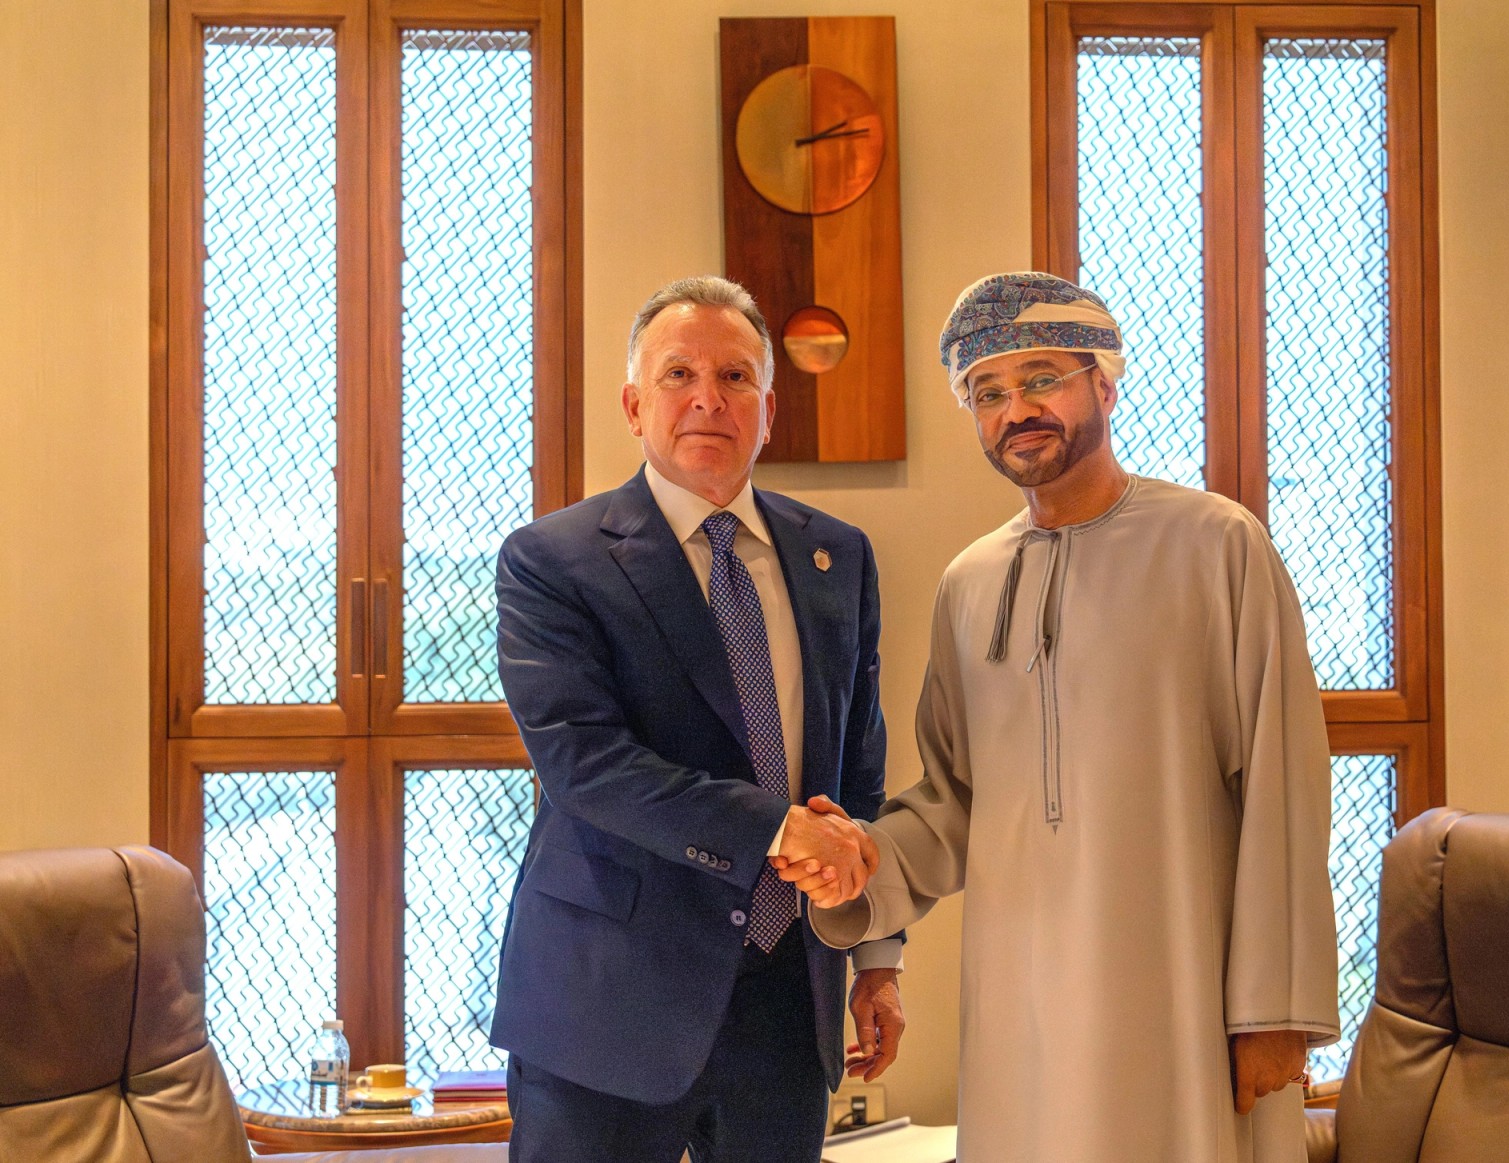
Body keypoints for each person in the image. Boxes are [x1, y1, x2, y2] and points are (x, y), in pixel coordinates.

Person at [786, 272, 1339, 1162]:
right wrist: (865, 862)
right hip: (1021, 1010)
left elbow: (1283, 786)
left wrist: (1274, 1008)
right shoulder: (970, 583)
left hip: (1182, 996)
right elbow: (953, 801)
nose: (1016, 410)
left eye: (1041, 378)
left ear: (1105, 385)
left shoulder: (1217, 545)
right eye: (987, 393)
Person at [490, 276, 905, 1163]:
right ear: (634, 405)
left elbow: (858, 772)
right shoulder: (552, 561)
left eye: (735, 377)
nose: (708, 398)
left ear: (769, 410)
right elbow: (587, 765)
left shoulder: (838, 556)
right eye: (678, 374)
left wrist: (877, 953)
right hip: (608, 1004)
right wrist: (777, 828)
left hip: (786, 1003)